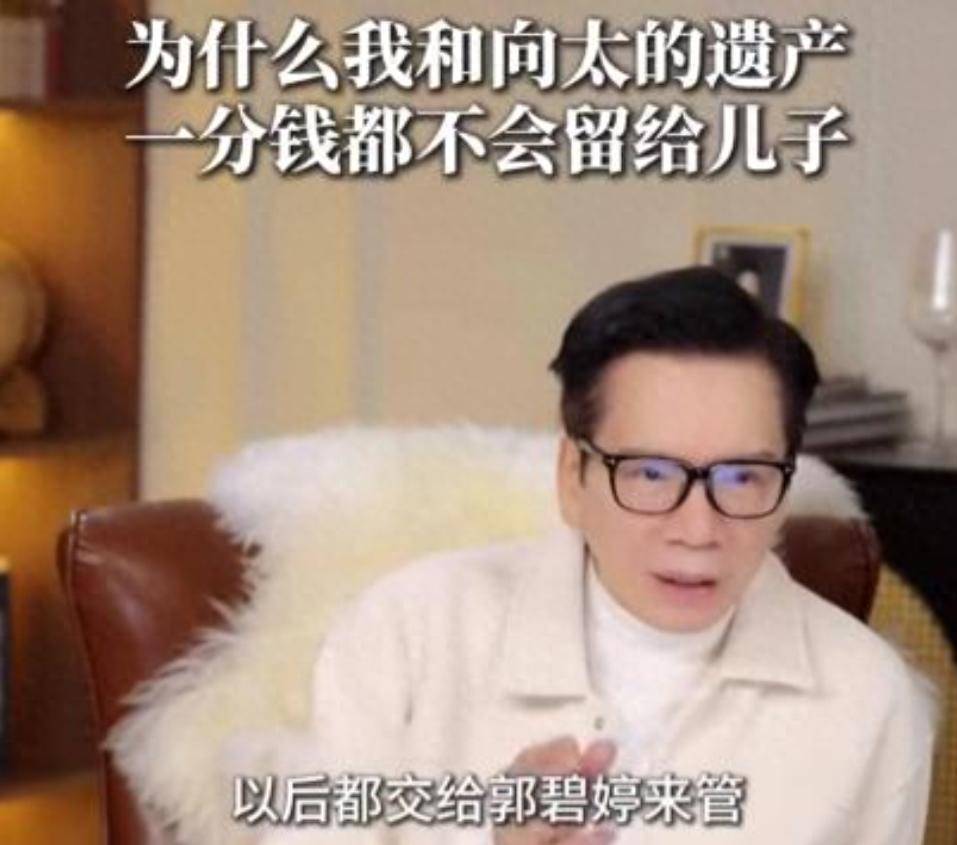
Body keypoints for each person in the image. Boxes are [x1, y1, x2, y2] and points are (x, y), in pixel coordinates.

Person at [264, 267, 935, 844]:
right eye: (649, 474)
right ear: (571, 478)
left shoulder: (867, 697)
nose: (698, 528)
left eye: (741, 477)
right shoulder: (410, 630)